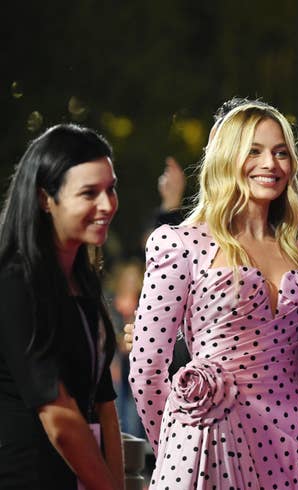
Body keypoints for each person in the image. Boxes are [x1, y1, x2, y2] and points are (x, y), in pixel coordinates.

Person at [128, 99, 298, 489]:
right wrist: (177, 443)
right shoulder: (180, 244)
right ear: (226, 157)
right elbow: (146, 370)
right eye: (253, 151)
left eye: (280, 152)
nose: (270, 164)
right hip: (212, 442)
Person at [0, 124, 123, 489]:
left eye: (111, 189)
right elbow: (59, 418)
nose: (106, 205)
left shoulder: (82, 279)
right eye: (89, 193)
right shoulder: (14, 282)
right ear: (45, 199)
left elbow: (104, 404)